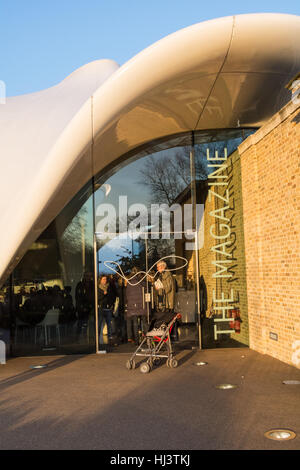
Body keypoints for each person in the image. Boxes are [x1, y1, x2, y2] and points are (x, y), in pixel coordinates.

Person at [125, 267, 148, 344]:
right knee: (144, 322)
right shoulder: (142, 281)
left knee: (135, 323)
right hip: (143, 304)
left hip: (132, 305)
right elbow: (146, 292)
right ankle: (147, 338)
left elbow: (127, 294)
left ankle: (137, 341)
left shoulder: (129, 282)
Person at [98, 275, 116, 343]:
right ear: (100, 280)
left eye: (105, 279)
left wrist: (111, 304)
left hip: (108, 308)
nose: (104, 281)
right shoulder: (98, 288)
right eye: (103, 279)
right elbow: (97, 298)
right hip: (101, 307)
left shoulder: (109, 287)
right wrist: (103, 294)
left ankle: (110, 336)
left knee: (109, 323)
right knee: (99, 323)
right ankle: (98, 336)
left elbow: (112, 296)